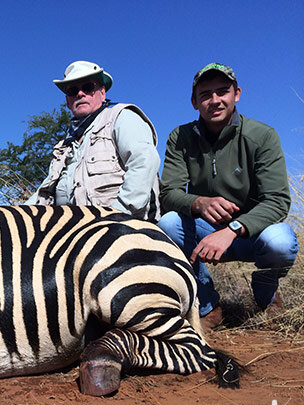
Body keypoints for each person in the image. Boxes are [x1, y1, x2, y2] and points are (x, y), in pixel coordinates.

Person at [158, 62, 299, 330]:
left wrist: (233, 229)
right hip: (204, 234)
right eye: (205, 95)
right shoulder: (180, 137)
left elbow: (278, 200)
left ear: (237, 93)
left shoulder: (262, 135)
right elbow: (169, 194)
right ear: (194, 102)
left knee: (281, 241)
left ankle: (266, 295)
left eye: (223, 91)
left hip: (252, 235)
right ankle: (209, 306)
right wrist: (197, 203)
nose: (215, 100)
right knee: (168, 224)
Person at [26, 60, 161, 222]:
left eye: (88, 87)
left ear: (102, 92)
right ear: (68, 101)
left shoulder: (121, 117)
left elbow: (143, 162)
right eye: (72, 91)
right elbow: (43, 194)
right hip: (73, 231)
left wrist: (114, 216)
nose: (80, 94)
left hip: (124, 225)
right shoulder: (63, 147)